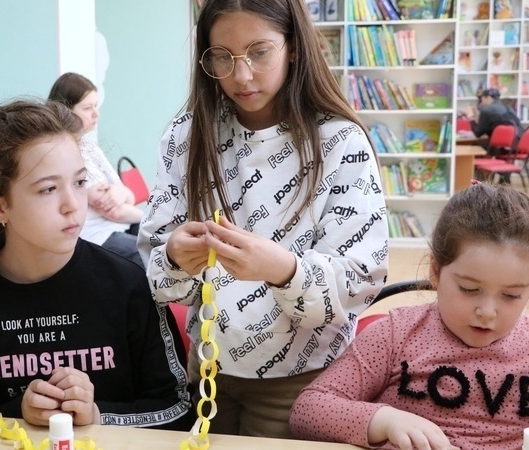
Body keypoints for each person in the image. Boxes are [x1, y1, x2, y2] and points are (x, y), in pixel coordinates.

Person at [137, 0, 389, 439]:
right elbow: (158, 272)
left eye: (259, 52)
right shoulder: (187, 135)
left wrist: (283, 270)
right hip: (208, 369)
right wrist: (174, 257)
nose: (241, 76)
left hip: (302, 377)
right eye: (222, 57)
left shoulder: (340, 142)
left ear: (293, 47)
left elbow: (360, 279)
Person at [0, 99, 193, 431]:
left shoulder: (126, 284)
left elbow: (178, 410)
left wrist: (98, 416)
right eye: (48, 189)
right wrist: (19, 412)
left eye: (79, 182)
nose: (72, 205)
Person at [291, 182, 529, 450]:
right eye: (469, 289)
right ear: (435, 271)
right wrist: (384, 420)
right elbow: (307, 411)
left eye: (511, 295)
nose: (487, 312)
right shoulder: (394, 335)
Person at [48, 72, 143, 267]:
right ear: (65, 111)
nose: (96, 114)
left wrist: (120, 192)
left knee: (163, 241)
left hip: (121, 226)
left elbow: (128, 196)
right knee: (151, 253)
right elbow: (111, 210)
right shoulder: (65, 154)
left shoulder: (91, 148)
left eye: (96, 106)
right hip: (98, 237)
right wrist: (149, 218)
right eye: (87, 108)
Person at [466, 87, 523, 155]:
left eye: (482, 99)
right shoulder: (508, 107)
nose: (480, 103)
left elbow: (477, 133)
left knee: (473, 146)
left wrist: (471, 116)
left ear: (488, 98)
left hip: (499, 148)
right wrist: (479, 118)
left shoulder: (486, 111)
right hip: (515, 145)